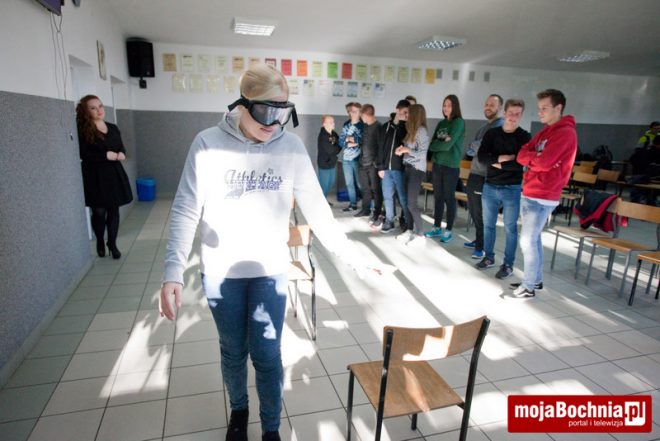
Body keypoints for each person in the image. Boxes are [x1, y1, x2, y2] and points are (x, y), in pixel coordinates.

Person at [158, 64, 385, 441]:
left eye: (283, 112)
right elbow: (185, 209)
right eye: (265, 110)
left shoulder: (290, 147)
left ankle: (270, 427)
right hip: (221, 272)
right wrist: (173, 273)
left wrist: (353, 257)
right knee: (233, 351)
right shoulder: (207, 143)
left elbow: (318, 211)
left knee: (267, 354)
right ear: (242, 105)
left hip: (270, 270)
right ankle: (239, 411)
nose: (274, 122)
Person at [510, 89, 577, 298]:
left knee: (527, 241)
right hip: (530, 190)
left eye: (544, 108)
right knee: (534, 239)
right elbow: (521, 154)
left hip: (544, 194)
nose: (540, 112)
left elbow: (546, 162)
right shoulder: (544, 131)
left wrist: (535, 158)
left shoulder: (565, 133)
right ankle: (535, 280)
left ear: (558, 108)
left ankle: (528, 286)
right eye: (539, 108)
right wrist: (536, 156)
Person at [475, 99, 530, 279]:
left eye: (517, 114)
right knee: (488, 225)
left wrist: (497, 162)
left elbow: (520, 164)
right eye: (511, 113)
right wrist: (503, 158)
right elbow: (482, 158)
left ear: (521, 115)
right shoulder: (492, 134)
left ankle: (508, 265)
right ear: (505, 113)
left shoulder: (524, 137)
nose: (513, 117)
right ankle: (489, 257)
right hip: (490, 185)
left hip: (512, 188)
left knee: (510, 228)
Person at [76, 94, 133, 259]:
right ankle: (100, 240)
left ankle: (112, 244)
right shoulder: (83, 130)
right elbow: (83, 154)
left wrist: (122, 153)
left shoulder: (113, 128)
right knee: (99, 212)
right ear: (86, 112)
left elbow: (121, 147)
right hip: (94, 175)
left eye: (100, 106)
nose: (99, 110)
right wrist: (104, 155)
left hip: (114, 173)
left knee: (114, 210)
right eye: (93, 108)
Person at [463, 94, 504, 259]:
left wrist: (478, 147)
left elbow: (484, 149)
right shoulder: (483, 128)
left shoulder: (499, 126)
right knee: (473, 210)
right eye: (486, 104)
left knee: (481, 213)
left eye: (492, 105)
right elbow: (470, 149)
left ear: (500, 108)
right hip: (474, 173)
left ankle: (482, 247)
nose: (488, 107)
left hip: (486, 176)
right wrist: (478, 147)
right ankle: (478, 240)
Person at [425, 94, 465, 243]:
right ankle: (436, 227)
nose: (446, 108)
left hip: (450, 166)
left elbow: (448, 145)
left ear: (455, 107)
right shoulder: (441, 123)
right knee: (438, 198)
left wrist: (441, 142)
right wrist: (442, 140)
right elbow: (432, 144)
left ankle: (448, 230)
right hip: (437, 165)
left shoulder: (458, 122)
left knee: (449, 198)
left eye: (449, 105)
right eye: (444, 105)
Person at [395, 104, 430, 246]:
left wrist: (407, 150)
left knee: (411, 203)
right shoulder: (411, 130)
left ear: (415, 115)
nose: (406, 115)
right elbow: (409, 149)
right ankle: (409, 229)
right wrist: (402, 150)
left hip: (417, 170)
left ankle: (420, 234)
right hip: (408, 168)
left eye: (408, 113)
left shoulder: (421, 131)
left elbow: (422, 154)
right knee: (406, 202)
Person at [377, 99, 410, 233]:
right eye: (404, 112)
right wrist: (380, 167)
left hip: (399, 169)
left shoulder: (406, 127)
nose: (405, 115)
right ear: (397, 110)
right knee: (387, 196)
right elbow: (380, 147)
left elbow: (404, 141)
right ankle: (389, 221)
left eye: (407, 113)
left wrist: (401, 124)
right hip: (386, 169)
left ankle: (408, 221)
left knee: (402, 197)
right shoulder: (386, 126)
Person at [355, 104, 383, 220]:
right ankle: (365, 210)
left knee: (376, 190)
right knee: (365, 188)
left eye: (361, 115)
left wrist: (376, 163)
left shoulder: (379, 127)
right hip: (363, 163)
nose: (361, 118)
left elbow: (380, 147)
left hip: (373, 165)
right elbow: (364, 142)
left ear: (366, 115)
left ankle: (377, 212)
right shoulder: (365, 126)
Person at [339, 102, 364, 212]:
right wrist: (352, 142)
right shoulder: (346, 124)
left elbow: (363, 141)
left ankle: (367, 204)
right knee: (349, 183)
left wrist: (349, 139)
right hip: (346, 158)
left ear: (360, 113)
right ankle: (353, 204)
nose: (352, 113)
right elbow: (341, 141)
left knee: (360, 183)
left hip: (357, 158)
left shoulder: (362, 125)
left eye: (355, 111)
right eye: (351, 111)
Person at [316, 115, 340, 203]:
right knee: (324, 185)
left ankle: (324, 200)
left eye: (333, 122)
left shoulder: (333, 134)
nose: (333, 124)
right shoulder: (323, 136)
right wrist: (338, 147)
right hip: (324, 164)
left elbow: (339, 143)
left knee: (331, 183)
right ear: (324, 124)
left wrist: (338, 147)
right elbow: (332, 150)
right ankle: (321, 202)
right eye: (330, 122)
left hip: (332, 163)